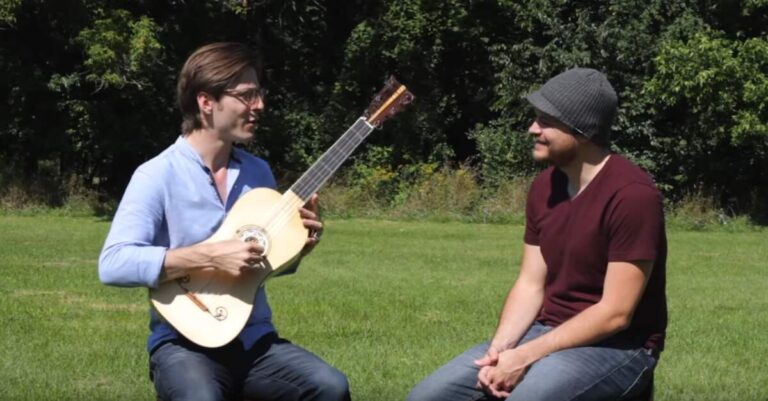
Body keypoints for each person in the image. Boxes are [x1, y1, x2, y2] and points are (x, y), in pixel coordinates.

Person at [98, 42, 350, 401]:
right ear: (206, 102)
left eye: (259, 94)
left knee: (330, 387)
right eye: (247, 96)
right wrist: (210, 256)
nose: (259, 106)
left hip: (254, 340)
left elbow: (262, 266)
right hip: (182, 345)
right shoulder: (156, 175)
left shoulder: (258, 172)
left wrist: (299, 247)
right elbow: (113, 264)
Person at [407, 67, 667, 401]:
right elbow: (531, 284)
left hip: (619, 346)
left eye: (546, 121)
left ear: (583, 131)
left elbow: (616, 314)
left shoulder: (632, 196)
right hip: (546, 331)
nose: (532, 129)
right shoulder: (545, 186)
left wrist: (527, 355)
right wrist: (501, 351)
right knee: (427, 398)